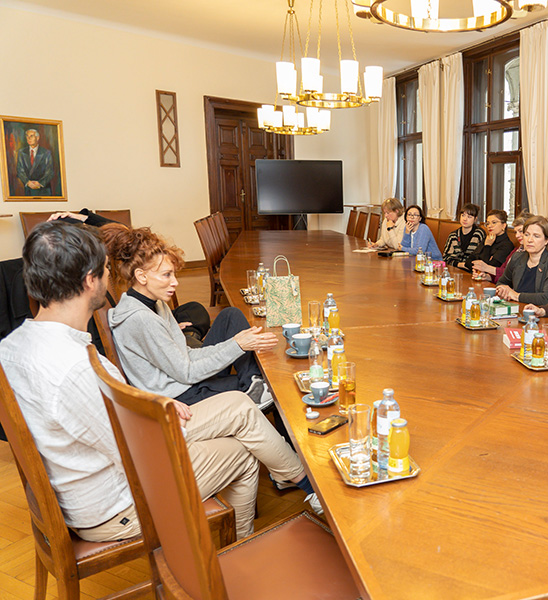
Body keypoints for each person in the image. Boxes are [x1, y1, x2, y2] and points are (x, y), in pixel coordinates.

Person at [0, 221, 313, 541]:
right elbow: (133, 448)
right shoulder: (75, 366)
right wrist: (162, 417)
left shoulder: (12, 347)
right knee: (244, 452)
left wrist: (153, 403)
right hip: (118, 504)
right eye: (107, 270)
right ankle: (242, 551)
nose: (111, 279)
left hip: (89, 483)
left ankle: (264, 517)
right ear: (90, 280)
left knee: (237, 409)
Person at [103, 226, 278, 409]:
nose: (175, 282)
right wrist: (238, 345)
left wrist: (236, 343)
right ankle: (256, 386)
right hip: (181, 395)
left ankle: (254, 383)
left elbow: (187, 355)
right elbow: (187, 373)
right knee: (273, 393)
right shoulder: (141, 319)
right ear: (141, 276)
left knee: (230, 315)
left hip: (184, 378)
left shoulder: (156, 303)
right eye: (166, 275)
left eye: (174, 274)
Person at [495, 215, 548, 305]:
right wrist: (502, 289)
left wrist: (516, 295)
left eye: (536, 236)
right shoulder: (518, 256)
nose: (529, 240)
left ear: (547, 240)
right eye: (526, 234)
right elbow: (502, 282)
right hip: (521, 310)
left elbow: (547, 298)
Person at [473, 211, 531, 283]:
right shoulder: (517, 250)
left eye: (520, 231)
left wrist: (486, 268)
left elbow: (514, 275)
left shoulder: (509, 246)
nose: (517, 236)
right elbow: (503, 270)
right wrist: (488, 277)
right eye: (515, 232)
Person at [467, 209, 514, 278]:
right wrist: (476, 268)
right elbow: (468, 261)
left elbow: (488, 268)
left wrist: (487, 246)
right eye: (488, 223)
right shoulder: (487, 239)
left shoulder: (507, 245)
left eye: (494, 222)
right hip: (477, 276)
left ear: (503, 226)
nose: (489, 226)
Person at [443, 203, 486, 270]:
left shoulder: (479, 234)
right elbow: (446, 257)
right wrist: (460, 264)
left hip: (473, 271)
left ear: (475, 219)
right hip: (456, 269)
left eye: (469, 217)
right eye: (463, 215)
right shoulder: (453, 235)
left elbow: (482, 257)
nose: (465, 219)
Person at [16, 129, 55, 196]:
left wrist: (40, 183)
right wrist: (28, 182)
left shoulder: (46, 152)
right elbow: (20, 170)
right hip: (28, 190)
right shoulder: (22, 152)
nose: (29, 138)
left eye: (31, 136)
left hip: (43, 190)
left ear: (37, 138)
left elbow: (50, 172)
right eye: (27, 136)